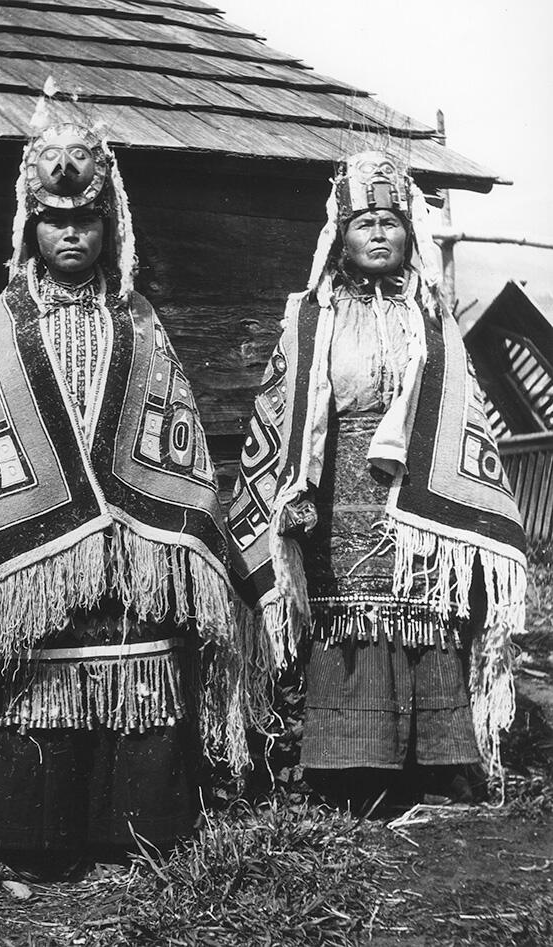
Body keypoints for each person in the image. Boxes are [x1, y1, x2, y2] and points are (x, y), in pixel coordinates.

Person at [0, 83, 246, 874]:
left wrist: (146, 521)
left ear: (113, 227)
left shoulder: (139, 318)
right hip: (28, 574)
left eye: (87, 219)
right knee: (34, 683)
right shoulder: (2, 322)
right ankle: (37, 838)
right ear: (30, 225)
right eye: (56, 219)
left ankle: (131, 831)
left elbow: (172, 432)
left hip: (128, 562)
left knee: (135, 665)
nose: (72, 234)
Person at [227, 151, 526, 808]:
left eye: (392, 220)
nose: (381, 233)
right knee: (350, 620)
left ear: (409, 233)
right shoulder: (314, 315)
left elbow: (462, 413)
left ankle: (439, 762)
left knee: (428, 614)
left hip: (418, 494)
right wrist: (294, 491)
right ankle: (352, 771)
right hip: (340, 491)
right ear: (340, 236)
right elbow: (291, 408)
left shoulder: (431, 317)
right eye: (366, 222)